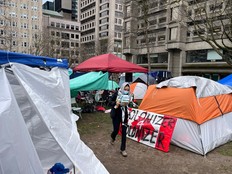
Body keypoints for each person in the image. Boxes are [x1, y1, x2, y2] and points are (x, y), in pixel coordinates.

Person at [110, 82, 134, 157]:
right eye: (125, 89)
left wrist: (130, 103)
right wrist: (116, 103)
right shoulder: (117, 94)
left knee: (124, 132)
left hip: (124, 116)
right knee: (116, 130)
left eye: (128, 89)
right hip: (117, 115)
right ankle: (113, 137)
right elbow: (110, 101)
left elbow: (131, 103)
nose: (126, 90)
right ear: (122, 88)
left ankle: (123, 149)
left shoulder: (130, 95)